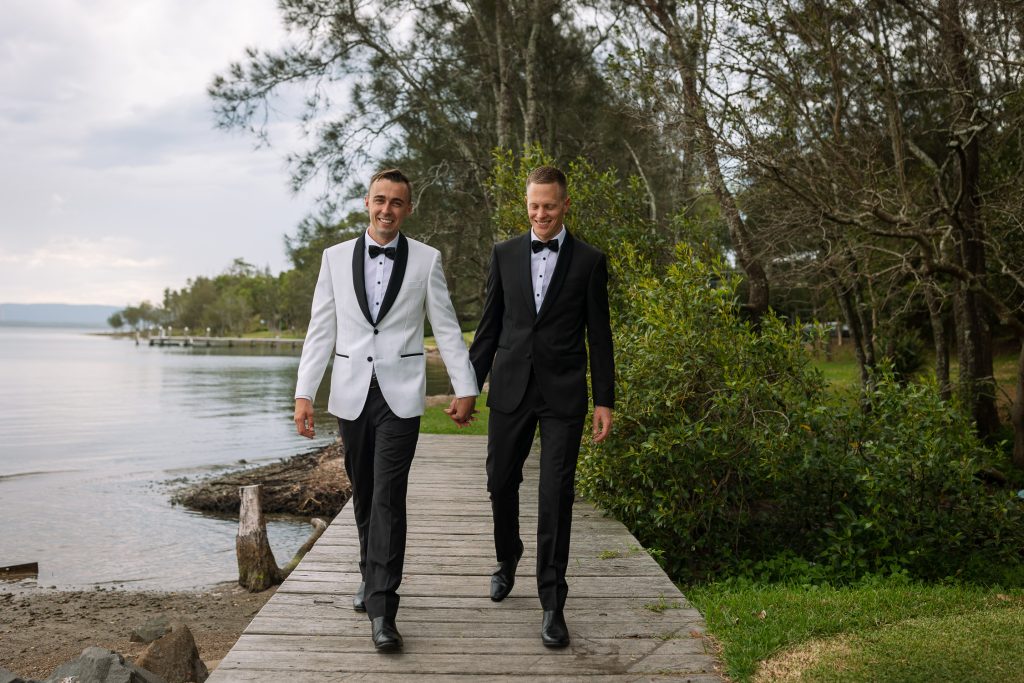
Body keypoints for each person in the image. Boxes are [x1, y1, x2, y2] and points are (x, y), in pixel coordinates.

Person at [294, 168, 478, 652]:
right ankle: (367, 572)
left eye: (397, 202)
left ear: (408, 208)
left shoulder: (427, 260)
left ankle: (383, 607)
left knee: (388, 498)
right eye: (380, 200)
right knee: (363, 491)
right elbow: (321, 329)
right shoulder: (334, 259)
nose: (386, 209)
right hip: (351, 394)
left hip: (401, 396)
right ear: (366, 202)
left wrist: (465, 386)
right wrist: (303, 393)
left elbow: (447, 326)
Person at [465, 165, 614, 648]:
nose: (541, 214)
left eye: (549, 205)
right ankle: (507, 557)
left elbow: (599, 336)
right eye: (534, 206)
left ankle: (553, 602)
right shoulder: (504, 254)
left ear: (565, 204)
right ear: (525, 204)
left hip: (563, 394)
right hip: (509, 387)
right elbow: (488, 327)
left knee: (556, 494)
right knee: (499, 481)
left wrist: (604, 399)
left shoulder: (590, 261)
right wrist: (469, 387)